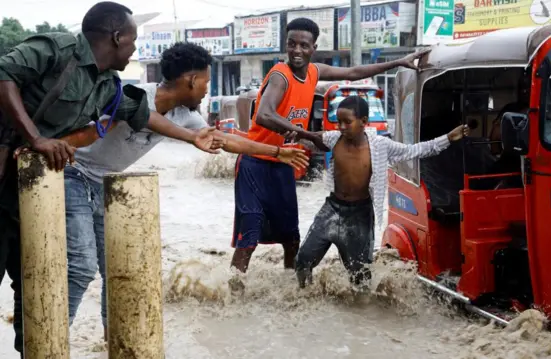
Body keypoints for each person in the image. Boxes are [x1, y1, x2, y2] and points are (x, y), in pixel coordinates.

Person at [0, 2, 218, 356]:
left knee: (37, 281)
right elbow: (3, 73)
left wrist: (191, 137)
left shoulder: (108, 87)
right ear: (117, 37)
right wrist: (36, 138)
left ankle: (39, 352)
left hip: (35, 190)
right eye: (132, 41)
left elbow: (142, 115)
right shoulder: (58, 48)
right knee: (71, 267)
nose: (134, 49)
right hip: (13, 177)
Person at [61, 42, 309, 341]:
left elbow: (224, 140)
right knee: (82, 266)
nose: (206, 89)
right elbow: (118, 123)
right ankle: (53, 339)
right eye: (205, 81)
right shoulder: (136, 96)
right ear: (191, 80)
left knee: (116, 270)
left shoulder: (185, 115)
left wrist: (277, 152)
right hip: (73, 173)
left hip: (107, 184)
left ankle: (114, 341)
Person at [230, 17, 430, 275]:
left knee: (291, 238)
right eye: (291, 44)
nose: (297, 51)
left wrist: (398, 62)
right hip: (255, 162)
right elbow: (263, 115)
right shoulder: (281, 75)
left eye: (303, 45)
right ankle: (235, 294)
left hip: (284, 163)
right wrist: (307, 134)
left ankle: (292, 293)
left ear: (314, 47)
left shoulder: (314, 72)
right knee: (250, 235)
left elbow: (354, 72)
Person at [294, 96, 469, 289]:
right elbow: (310, 137)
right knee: (303, 260)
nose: (341, 127)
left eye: (347, 122)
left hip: (360, 215)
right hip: (332, 209)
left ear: (364, 122)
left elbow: (415, 150)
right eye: (338, 122)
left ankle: (360, 313)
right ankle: (305, 297)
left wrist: (448, 138)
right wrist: (293, 134)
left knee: (360, 277)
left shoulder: (379, 145)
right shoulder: (333, 139)